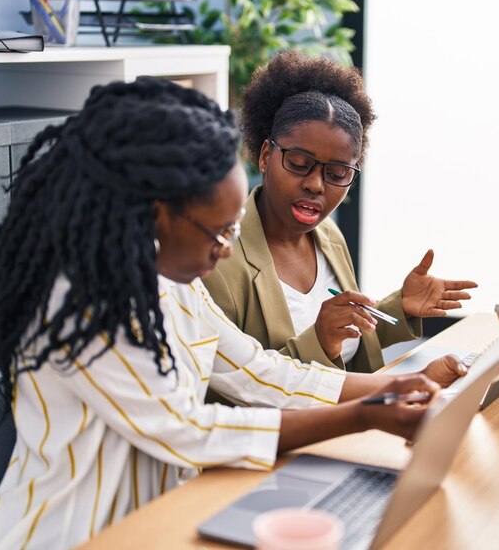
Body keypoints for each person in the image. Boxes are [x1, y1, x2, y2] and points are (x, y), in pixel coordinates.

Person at [0, 78, 465, 549]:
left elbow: (259, 371)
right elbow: (186, 430)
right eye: (220, 232)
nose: (228, 249)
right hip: (72, 534)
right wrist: (363, 416)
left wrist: (392, 388)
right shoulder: (83, 300)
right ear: (158, 210)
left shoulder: (170, 281)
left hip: (163, 520)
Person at [203, 51, 478, 372]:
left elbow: (348, 340)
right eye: (299, 164)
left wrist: (400, 307)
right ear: (265, 156)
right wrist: (319, 340)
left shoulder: (327, 236)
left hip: (356, 412)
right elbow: (233, 385)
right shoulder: (218, 261)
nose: (316, 185)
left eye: (336, 174)